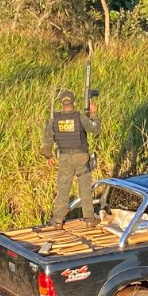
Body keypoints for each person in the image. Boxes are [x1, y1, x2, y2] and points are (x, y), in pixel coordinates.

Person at [43, 88, 100, 225]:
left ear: (62, 104)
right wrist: (94, 113)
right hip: (81, 156)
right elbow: (96, 129)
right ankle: (89, 219)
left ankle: (57, 220)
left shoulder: (55, 120)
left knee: (63, 189)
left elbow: (47, 139)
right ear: (74, 103)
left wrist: (48, 156)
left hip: (64, 158)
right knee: (85, 189)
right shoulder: (79, 117)